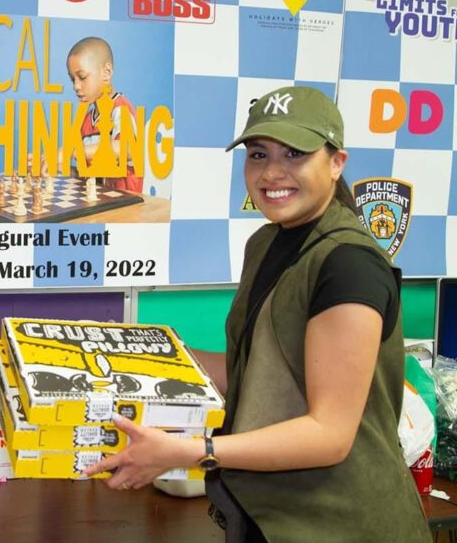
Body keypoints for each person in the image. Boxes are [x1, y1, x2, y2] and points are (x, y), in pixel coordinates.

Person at [86, 86, 430, 542]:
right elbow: (256, 374)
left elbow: (329, 433)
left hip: (343, 524)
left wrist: (192, 451)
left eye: (294, 153)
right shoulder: (268, 243)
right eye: (258, 154)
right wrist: (139, 353)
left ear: (336, 163)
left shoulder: (350, 265)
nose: (272, 172)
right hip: (269, 518)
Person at [66, 36, 143, 193]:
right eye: (72, 79)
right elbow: (89, 175)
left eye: (82, 77)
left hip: (126, 207)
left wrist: (70, 151)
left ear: (106, 73)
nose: (75, 86)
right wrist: (60, 167)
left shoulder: (120, 108)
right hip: (101, 203)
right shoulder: (87, 120)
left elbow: (125, 148)